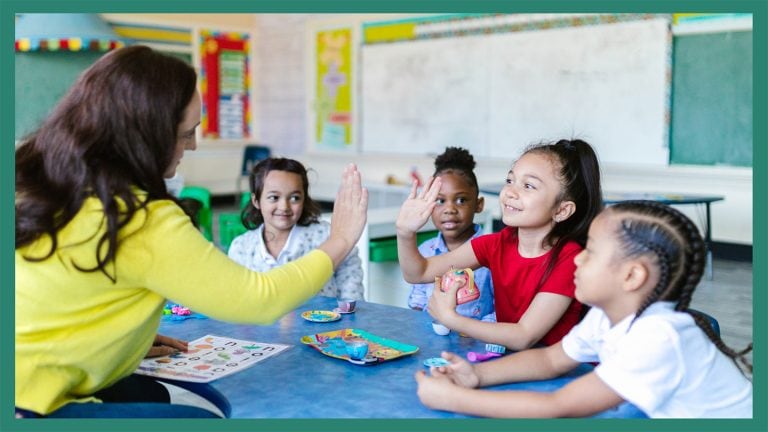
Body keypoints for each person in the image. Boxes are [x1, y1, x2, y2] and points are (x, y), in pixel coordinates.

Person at [15, 45, 368, 418]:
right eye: (186, 134)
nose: (193, 145)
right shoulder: (138, 217)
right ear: (145, 136)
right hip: (26, 402)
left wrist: (118, 340)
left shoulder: (49, 184)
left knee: (151, 394)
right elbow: (259, 299)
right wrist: (340, 239)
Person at [414, 201, 753, 418]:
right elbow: (550, 360)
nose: (577, 257)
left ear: (632, 276)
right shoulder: (607, 319)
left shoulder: (658, 337)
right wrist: (477, 375)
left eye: (590, 251)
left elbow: (558, 407)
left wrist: (452, 400)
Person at [397, 139, 603, 350]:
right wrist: (405, 233)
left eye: (528, 186)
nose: (510, 192)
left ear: (561, 210)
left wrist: (452, 319)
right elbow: (419, 273)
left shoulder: (570, 259)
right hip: (510, 361)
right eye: (510, 180)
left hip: (555, 374)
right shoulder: (498, 243)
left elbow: (524, 335)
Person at [228, 157, 364, 301]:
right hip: (262, 324)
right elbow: (236, 299)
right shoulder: (241, 247)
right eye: (274, 197)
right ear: (256, 201)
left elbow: (351, 284)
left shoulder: (328, 236)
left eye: (294, 198)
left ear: (304, 199)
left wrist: (349, 316)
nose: (284, 207)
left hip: (325, 323)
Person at [407, 147, 494, 325]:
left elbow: (500, 310)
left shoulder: (493, 253)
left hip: (477, 343)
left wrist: (476, 333)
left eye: (461, 200)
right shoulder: (425, 251)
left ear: (479, 205)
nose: (449, 209)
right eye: (440, 201)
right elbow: (417, 302)